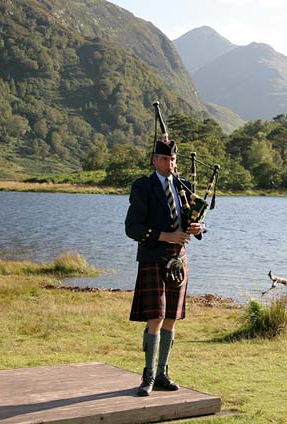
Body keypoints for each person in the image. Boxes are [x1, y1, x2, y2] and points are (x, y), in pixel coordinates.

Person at [125, 138, 203, 396]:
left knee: (171, 317)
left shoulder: (184, 187)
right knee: (155, 318)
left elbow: (197, 223)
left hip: (178, 260)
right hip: (154, 257)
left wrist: (198, 228)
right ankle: (147, 376)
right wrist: (164, 236)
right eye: (165, 159)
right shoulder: (143, 187)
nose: (170, 164)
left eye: (173, 160)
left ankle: (162, 374)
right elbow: (132, 228)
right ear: (155, 160)